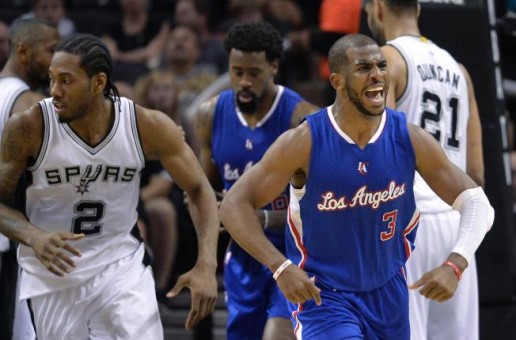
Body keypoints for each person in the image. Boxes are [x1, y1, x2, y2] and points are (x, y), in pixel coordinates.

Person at [219, 33, 495, 339]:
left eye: (380, 65)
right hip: (324, 296)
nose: (377, 74)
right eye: (364, 68)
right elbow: (233, 205)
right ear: (337, 81)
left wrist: (456, 263)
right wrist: (280, 266)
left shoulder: (408, 137)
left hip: (389, 292)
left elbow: (476, 202)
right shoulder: (305, 141)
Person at [0, 33, 219, 339]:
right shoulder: (29, 126)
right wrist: (33, 236)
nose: (54, 91)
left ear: (98, 82)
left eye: (66, 81)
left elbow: (199, 189)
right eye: (51, 79)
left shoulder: (145, 125)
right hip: (54, 274)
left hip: (120, 264)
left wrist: (206, 264)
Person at [364, 1, 485, 339]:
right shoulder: (459, 70)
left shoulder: (385, 60)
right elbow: (476, 172)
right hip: (456, 223)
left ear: (376, 7)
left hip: (407, 221)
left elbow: (377, 156)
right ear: (417, 7)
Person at [195, 21, 319, 340]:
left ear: (274, 67)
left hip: (296, 252)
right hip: (243, 254)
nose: (244, 82)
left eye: (254, 73)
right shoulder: (210, 115)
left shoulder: (301, 118)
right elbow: (201, 195)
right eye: (237, 72)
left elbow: (324, 206)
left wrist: (261, 217)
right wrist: (205, 260)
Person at [0, 18, 60, 340]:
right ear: (23, 50)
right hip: (8, 240)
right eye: (51, 50)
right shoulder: (28, 103)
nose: (57, 59)